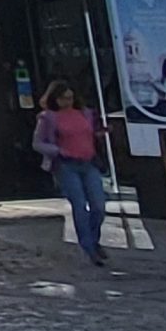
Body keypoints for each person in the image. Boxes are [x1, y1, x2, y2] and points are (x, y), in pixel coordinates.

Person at [35, 81, 110, 266]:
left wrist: (100, 135)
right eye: (63, 99)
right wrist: (58, 151)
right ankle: (88, 247)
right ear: (55, 99)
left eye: (70, 98)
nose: (67, 102)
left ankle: (94, 239)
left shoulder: (85, 113)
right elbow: (38, 143)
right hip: (66, 165)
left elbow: (89, 134)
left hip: (88, 162)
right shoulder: (48, 118)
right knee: (79, 205)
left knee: (98, 205)